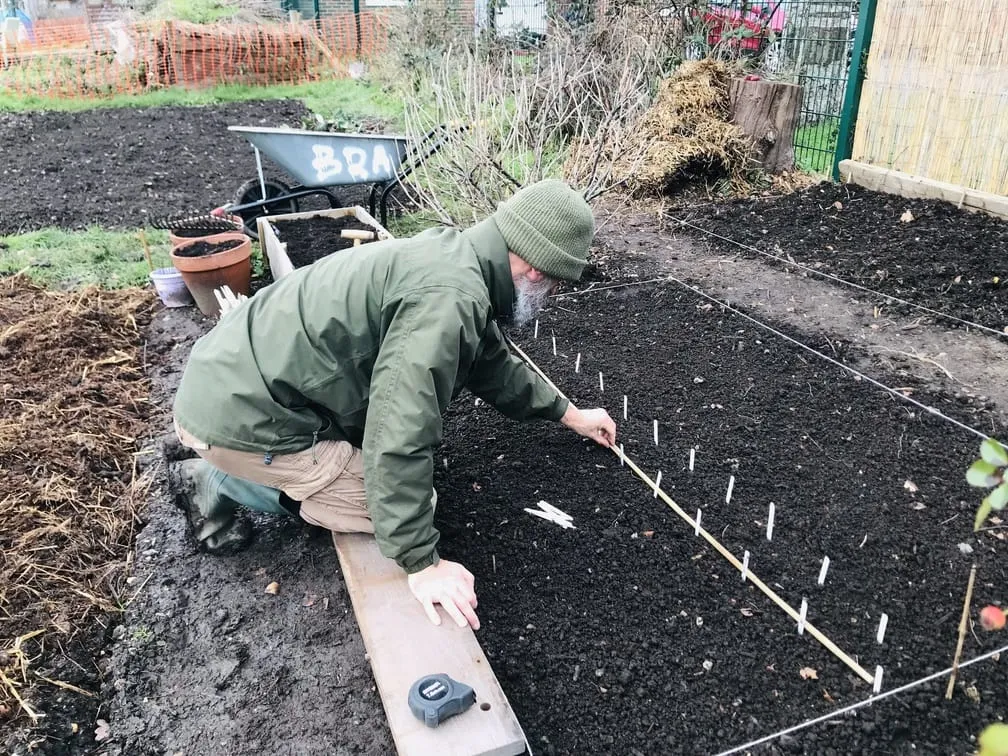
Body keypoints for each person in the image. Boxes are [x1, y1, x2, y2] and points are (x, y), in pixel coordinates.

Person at [171, 179, 617, 630]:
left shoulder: (455, 258)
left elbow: (491, 362)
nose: (553, 297)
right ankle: (220, 478)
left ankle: (239, 464)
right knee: (391, 507)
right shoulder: (450, 299)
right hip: (237, 416)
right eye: (558, 284)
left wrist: (570, 415)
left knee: (401, 493)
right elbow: (399, 429)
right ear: (538, 269)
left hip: (235, 380)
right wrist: (422, 564)